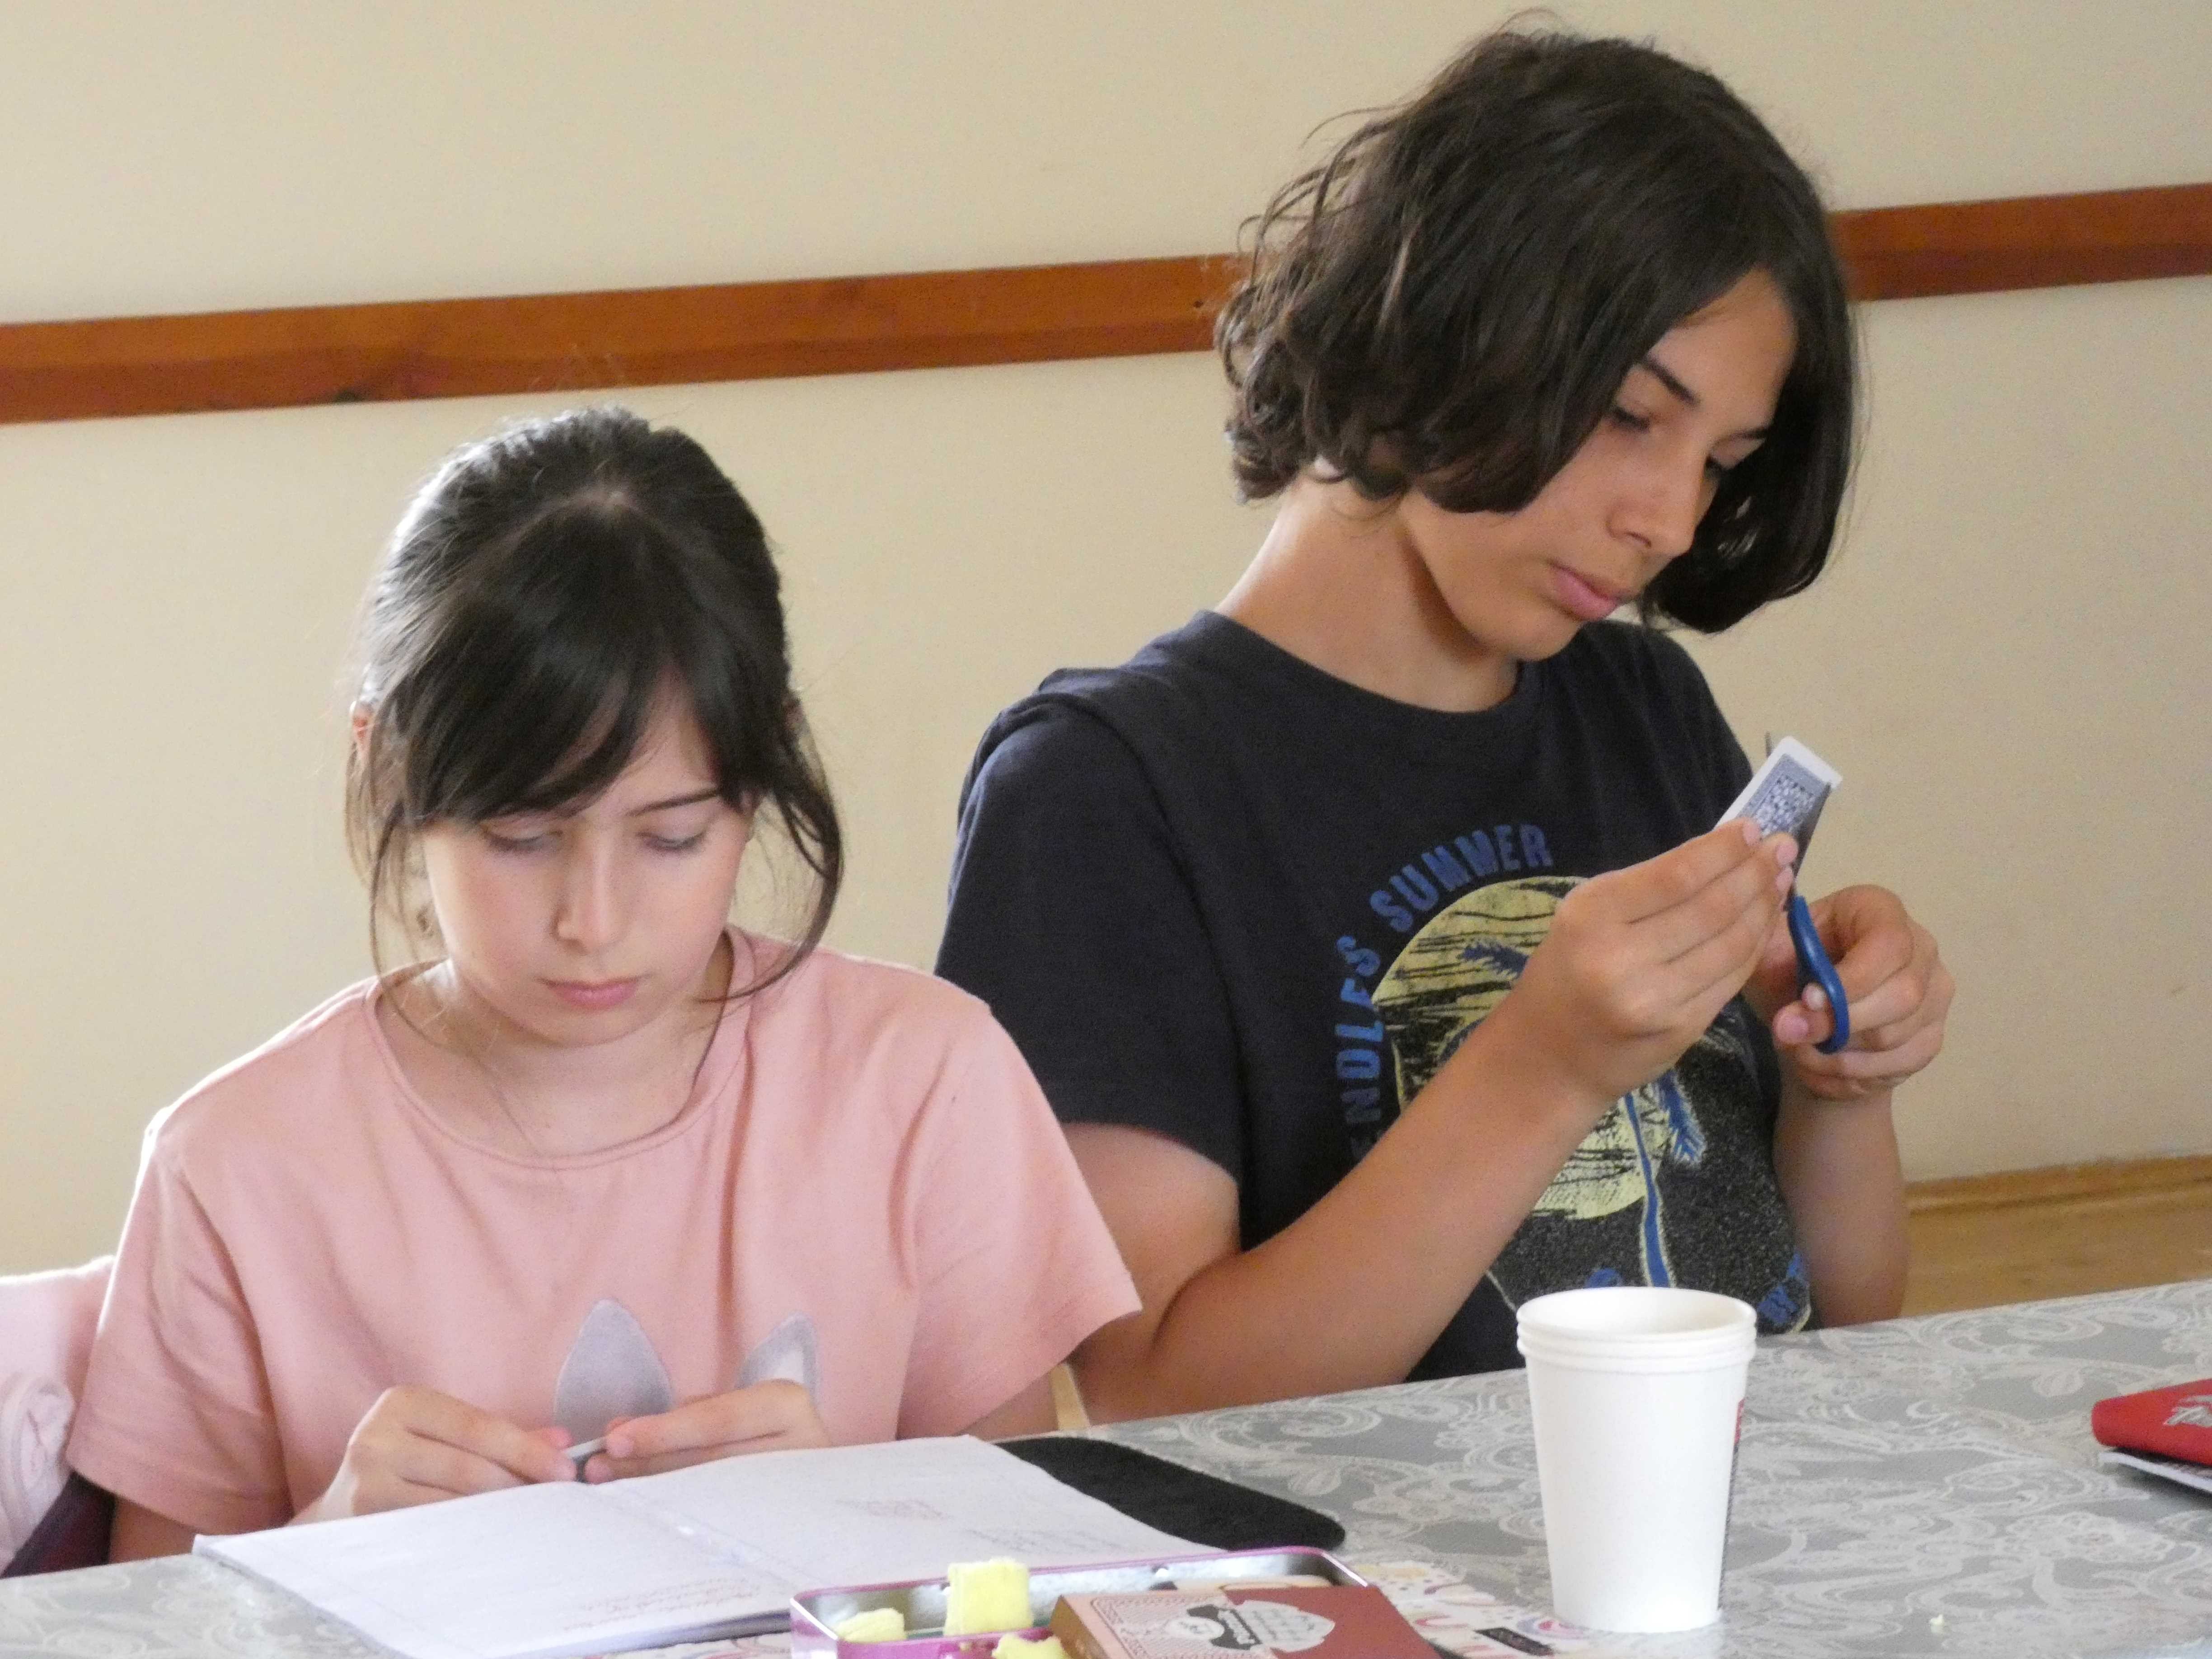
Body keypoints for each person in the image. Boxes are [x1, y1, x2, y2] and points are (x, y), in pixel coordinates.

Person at [935, 28, 1953, 1420]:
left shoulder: (1648, 708)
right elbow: (1163, 1397)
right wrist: (1542, 1066)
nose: (1669, 520)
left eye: (1721, 463)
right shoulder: (1103, 793)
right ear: (1435, 325)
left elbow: (1843, 1318)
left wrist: (1840, 1081)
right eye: (1627, 416)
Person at [71, 408, 1139, 1557]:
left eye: (671, 838)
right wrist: (326, 1540)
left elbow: (1033, 1582)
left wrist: (846, 1523)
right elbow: (143, 1621)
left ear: (762, 768)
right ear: (390, 770)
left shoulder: (925, 1081)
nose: (593, 923)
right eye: (523, 838)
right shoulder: (237, 1164)